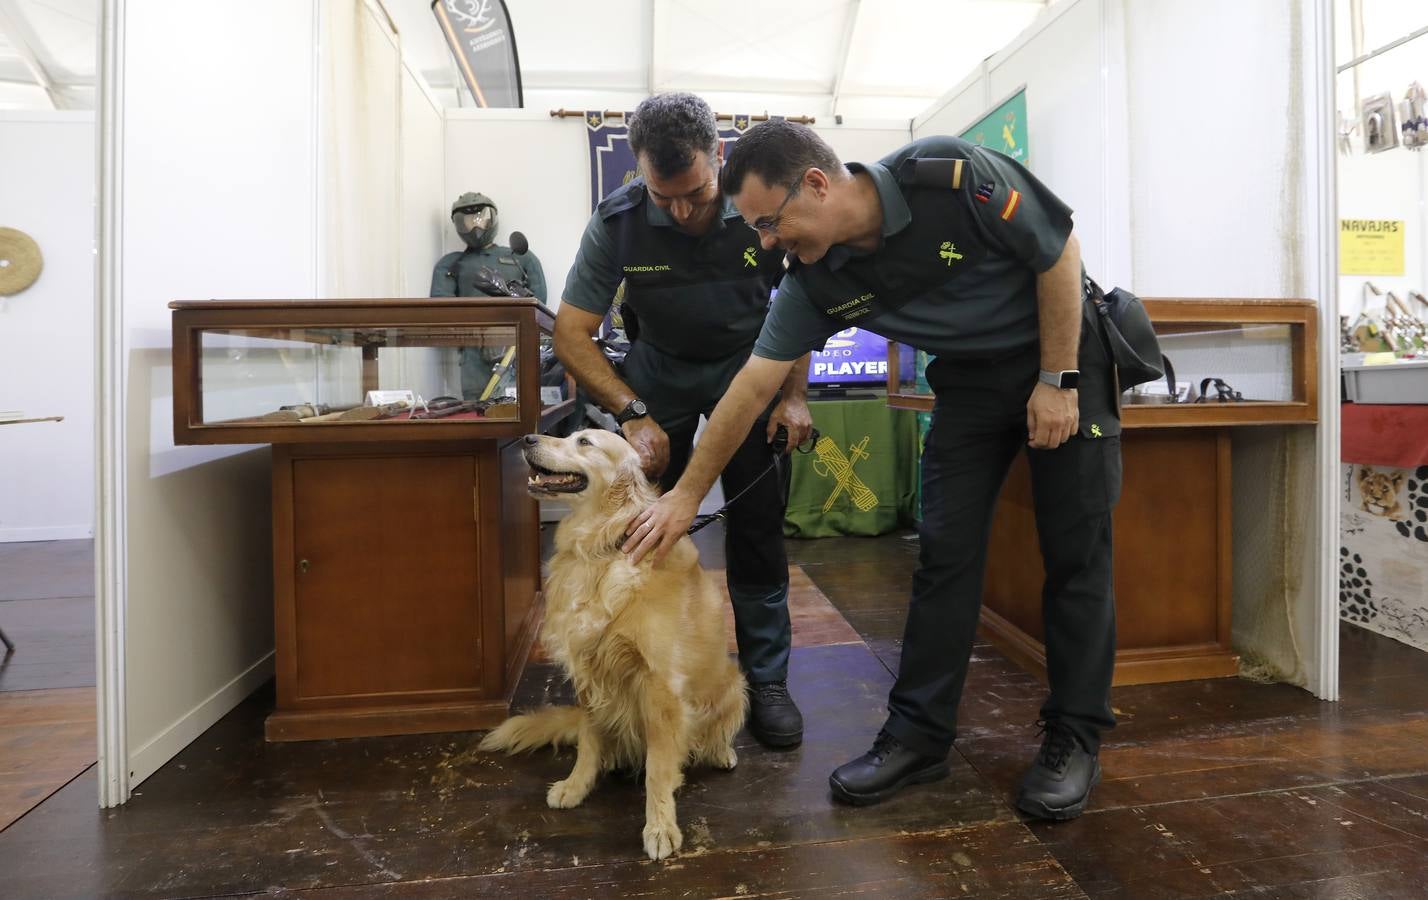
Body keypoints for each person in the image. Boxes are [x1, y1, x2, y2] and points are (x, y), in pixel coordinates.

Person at [623, 120, 1121, 821]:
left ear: (818, 184)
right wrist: (685, 495)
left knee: (1077, 556)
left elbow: (1059, 252)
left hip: (1064, 359)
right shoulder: (815, 279)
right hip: (972, 384)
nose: (766, 242)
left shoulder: (948, 173)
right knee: (943, 556)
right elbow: (752, 384)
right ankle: (919, 737)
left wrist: (1058, 378)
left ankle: (1075, 738)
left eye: (771, 221)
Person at [553, 93, 814, 749]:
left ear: (717, 158)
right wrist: (630, 412)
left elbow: (807, 297)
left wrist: (793, 396)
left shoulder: (759, 205)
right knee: (634, 521)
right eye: (662, 195)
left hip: (747, 370)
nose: (679, 209)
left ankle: (767, 680)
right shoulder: (615, 222)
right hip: (658, 370)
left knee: (757, 527)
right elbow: (572, 333)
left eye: (694, 193)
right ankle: (632, 667)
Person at [432, 192, 548, 399]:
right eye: (467, 220)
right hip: (472, 350)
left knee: (522, 405)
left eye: (480, 218)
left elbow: (539, 308)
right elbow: (440, 312)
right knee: (476, 408)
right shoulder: (450, 264)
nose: (475, 226)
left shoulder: (521, 257)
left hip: (516, 350)